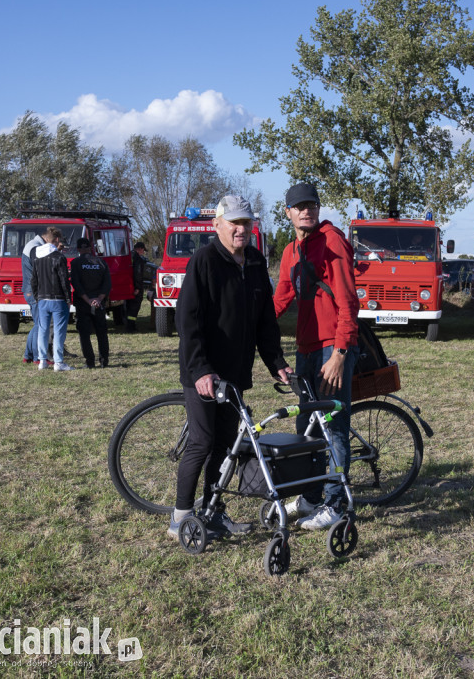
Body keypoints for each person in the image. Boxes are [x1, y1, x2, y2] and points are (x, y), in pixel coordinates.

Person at [171, 195, 291, 539]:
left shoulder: (254, 261)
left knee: (225, 446)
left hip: (236, 374)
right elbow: (187, 320)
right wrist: (201, 370)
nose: (241, 229)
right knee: (202, 442)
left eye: (246, 223)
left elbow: (264, 320)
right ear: (218, 225)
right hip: (205, 373)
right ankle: (179, 518)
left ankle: (213, 512)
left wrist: (276, 362)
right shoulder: (204, 260)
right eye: (234, 223)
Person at [274, 183, 360, 531]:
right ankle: (311, 496)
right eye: (299, 206)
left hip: (332, 346)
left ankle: (336, 504)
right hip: (306, 347)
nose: (307, 210)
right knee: (305, 427)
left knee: (333, 427)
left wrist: (340, 353)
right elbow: (279, 299)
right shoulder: (290, 252)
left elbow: (348, 302)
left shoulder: (332, 241)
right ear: (288, 213)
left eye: (312, 204)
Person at [31, 228, 73, 372]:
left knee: (43, 330)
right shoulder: (59, 257)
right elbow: (64, 280)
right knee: (59, 331)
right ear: (56, 240)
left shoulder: (36, 257)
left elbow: (33, 280)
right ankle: (58, 362)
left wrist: (37, 297)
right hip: (58, 299)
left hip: (42, 299)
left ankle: (42, 360)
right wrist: (68, 298)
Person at [70, 237, 111, 368]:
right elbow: (107, 283)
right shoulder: (101, 262)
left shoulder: (76, 263)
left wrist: (88, 300)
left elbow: (76, 283)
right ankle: (104, 361)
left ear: (78, 249)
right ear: (90, 248)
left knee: (84, 334)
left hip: (83, 303)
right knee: (102, 333)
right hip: (99, 303)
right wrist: (99, 299)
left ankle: (90, 362)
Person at [21, 232, 46, 364]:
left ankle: (28, 355)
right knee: (41, 325)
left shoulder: (31, 245)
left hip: (29, 290)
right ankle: (38, 357)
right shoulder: (35, 248)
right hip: (34, 290)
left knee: (37, 324)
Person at [125, 241, 148, 333]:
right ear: (140, 249)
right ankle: (131, 326)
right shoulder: (138, 259)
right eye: (143, 250)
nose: (143, 252)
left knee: (128, 306)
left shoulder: (127, 255)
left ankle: (129, 324)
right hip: (135, 287)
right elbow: (138, 274)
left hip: (127, 285)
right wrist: (137, 287)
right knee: (134, 307)